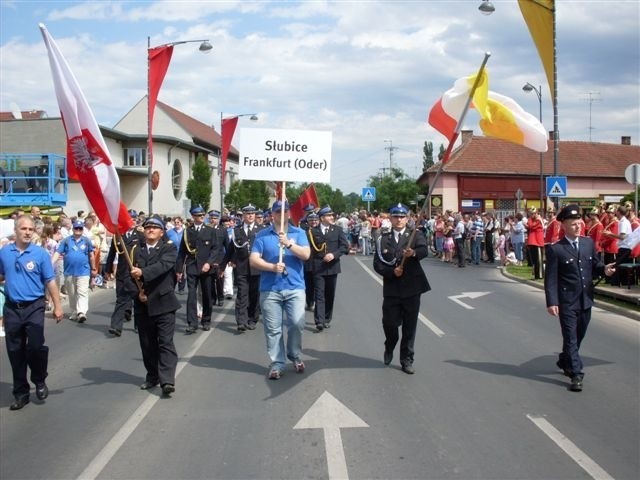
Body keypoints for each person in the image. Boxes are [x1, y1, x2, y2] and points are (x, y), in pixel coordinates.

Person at [544, 204, 615, 392]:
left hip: (586, 299)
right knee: (570, 337)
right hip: (567, 301)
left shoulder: (587, 243)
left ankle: (564, 359)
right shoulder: (556, 249)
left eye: (579, 223)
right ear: (564, 226)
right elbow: (550, 278)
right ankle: (576, 374)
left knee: (578, 335)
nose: (578, 226)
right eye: (573, 224)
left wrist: (605, 269)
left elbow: (595, 265)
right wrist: (552, 302)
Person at [0, 216, 64, 410]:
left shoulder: (40, 254)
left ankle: (39, 378)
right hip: (12, 308)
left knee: (35, 346)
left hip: (34, 306)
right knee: (14, 351)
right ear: (16, 230)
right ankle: (21, 392)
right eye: (23, 228)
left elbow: (50, 281)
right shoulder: (4, 252)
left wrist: (58, 305)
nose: (27, 232)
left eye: (30, 229)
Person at [249, 199, 310, 379]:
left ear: (289, 214)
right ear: (272, 215)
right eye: (277, 212)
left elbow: (306, 255)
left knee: (297, 324)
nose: (281, 215)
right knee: (273, 328)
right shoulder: (262, 235)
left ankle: (295, 354)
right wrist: (272, 267)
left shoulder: (299, 233)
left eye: (285, 211)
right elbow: (253, 260)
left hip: (295, 287)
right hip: (270, 289)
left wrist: (289, 244)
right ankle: (277, 362)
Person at [373, 203, 431, 374]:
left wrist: (412, 253)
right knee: (389, 323)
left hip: (412, 287)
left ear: (407, 218)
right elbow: (377, 264)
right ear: (390, 218)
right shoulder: (382, 238)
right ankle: (390, 344)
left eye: (402, 217)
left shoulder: (415, 235)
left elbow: (424, 250)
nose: (399, 220)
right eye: (396, 216)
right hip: (392, 288)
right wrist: (392, 272)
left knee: (409, 326)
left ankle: (407, 359)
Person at [130, 215, 181, 396]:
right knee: (147, 344)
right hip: (143, 304)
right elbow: (127, 276)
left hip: (163, 303)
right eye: (147, 227)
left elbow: (163, 266)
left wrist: (143, 272)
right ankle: (152, 375)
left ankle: (167, 380)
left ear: (161, 232)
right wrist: (138, 293)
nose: (150, 229)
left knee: (165, 343)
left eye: (154, 227)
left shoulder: (169, 248)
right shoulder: (136, 250)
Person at [307, 206, 350, 331]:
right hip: (318, 267)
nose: (332, 217)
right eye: (329, 215)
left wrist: (333, 255)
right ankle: (319, 321)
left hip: (332, 267)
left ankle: (326, 318)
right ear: (322, 218)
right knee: (319, 294)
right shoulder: (312, 231)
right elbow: (308, 248)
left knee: (329, 294)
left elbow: (344, 247)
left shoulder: (337, 230)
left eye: (332, 215)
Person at [176, 205, 217, 333]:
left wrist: (209, 263)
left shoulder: (210, 230)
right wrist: (179, 270)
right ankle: (192, 323)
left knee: (206, 294)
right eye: (198, 215)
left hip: (206, 267)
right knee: (191, 295)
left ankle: (206, 320)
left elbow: (215, 249)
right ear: (193, 216)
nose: (201, 217)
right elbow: (182, 251)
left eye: (202, 215)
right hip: (192, 266)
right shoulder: (188, 231)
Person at [226, 204, 263, 331]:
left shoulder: (261, 230)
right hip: (242, 267)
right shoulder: (237, 230)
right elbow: (231, 248)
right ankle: (241, 321)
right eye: (248, 214)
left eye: (252, 213)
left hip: (257, 268)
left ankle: (252, 318)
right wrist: (223, 264)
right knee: (242, 294)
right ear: (243, 215)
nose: (251, 215)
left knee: (254, 295)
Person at [105, 215, 144, 336]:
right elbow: (112, 253)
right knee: (121, 299)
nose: (131, 222)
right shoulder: (118, 236)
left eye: (133, 220)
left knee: (138, 300)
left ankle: (140, 324)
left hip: (135, 273)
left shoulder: (140, 235)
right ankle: (116, 326)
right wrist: (108, 270)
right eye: (128, 220)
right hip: (122, 272)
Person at [51, 219, 96, 323]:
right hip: (69, 271)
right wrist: (51, 263)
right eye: (76, 228)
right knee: (72, 293)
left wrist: (93, 268)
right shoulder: (66, 241)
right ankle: (75, 311)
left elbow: (91, 255)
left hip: (84, 271)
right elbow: (58, 252)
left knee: (82, 292)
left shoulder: (86, 240)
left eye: (80, 228)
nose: (78, 230)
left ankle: (82, 312)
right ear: (73, 229)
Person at [166, 216, 186, 294]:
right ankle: (172, 286)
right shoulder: (169, 232)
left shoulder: (185, 232)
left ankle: (181, 288)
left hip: (182, 255)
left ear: (181, 223)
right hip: (172, 255)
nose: (177, 224)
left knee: (182, 271)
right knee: (173, 271)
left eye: (178, 222)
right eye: (175, 222)